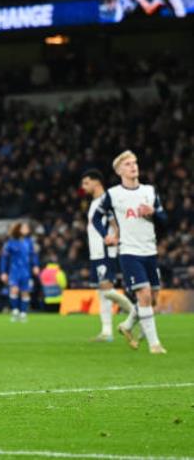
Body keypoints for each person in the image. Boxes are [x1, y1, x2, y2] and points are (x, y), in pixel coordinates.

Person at [92, 150, 167, 354]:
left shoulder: (150, 191)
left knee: (152, 298)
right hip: (129, 251)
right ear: (119, 171)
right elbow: (96, 218)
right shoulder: (113, 194)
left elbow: (165, 220)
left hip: (150, 250)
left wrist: (154, 213)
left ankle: (126, 325)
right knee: (143, 294)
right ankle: (154, 344)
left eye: (135, 163)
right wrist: (105, 235)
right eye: (127, 164)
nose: (133, 166)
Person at [81, 169, 133, 341]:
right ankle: (107, 332)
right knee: (101, 292)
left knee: (107, 289)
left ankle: (135, 311)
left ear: (97, 182)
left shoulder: (105, 200)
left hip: (104, 251)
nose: (84, 187)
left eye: (86, 183)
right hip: (96, 252)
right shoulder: (95, 202)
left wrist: (114, 237)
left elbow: (115, 222)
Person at [0, 221, 40, 322]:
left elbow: (33, 255)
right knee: (14, 290)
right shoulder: (10, 242)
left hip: (26, 271)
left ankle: (23, 313)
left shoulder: (29, 241)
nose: (27, 229)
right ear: (19, 229)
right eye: (25, 227)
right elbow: (4, 258)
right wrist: (3, 272)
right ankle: (15, 311)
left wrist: (35, 265)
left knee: (25, 292)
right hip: (14, 271)